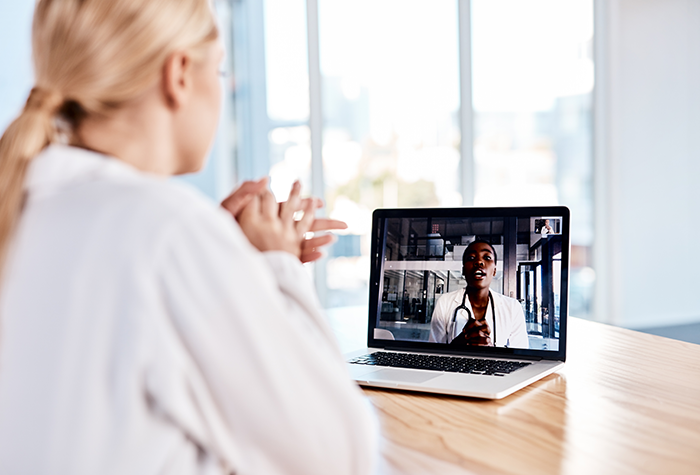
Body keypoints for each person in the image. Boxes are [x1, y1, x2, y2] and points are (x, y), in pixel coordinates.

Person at [0, 1, 377, 474]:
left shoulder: (25, 206)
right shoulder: (166, 232)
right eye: (219, 69)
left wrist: (225, 256)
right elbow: (342, 455)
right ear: (178, 73)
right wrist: (275, 263)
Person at [428, 240, 529, 348]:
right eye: (471, 258)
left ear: (494, 270)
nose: (479, 262)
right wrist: (457, 346)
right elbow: (433, 351)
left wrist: (492, 352)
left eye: (487, 257)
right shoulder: (445, 302)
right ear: (463, 270)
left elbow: (520, 355)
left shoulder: (513, 307)